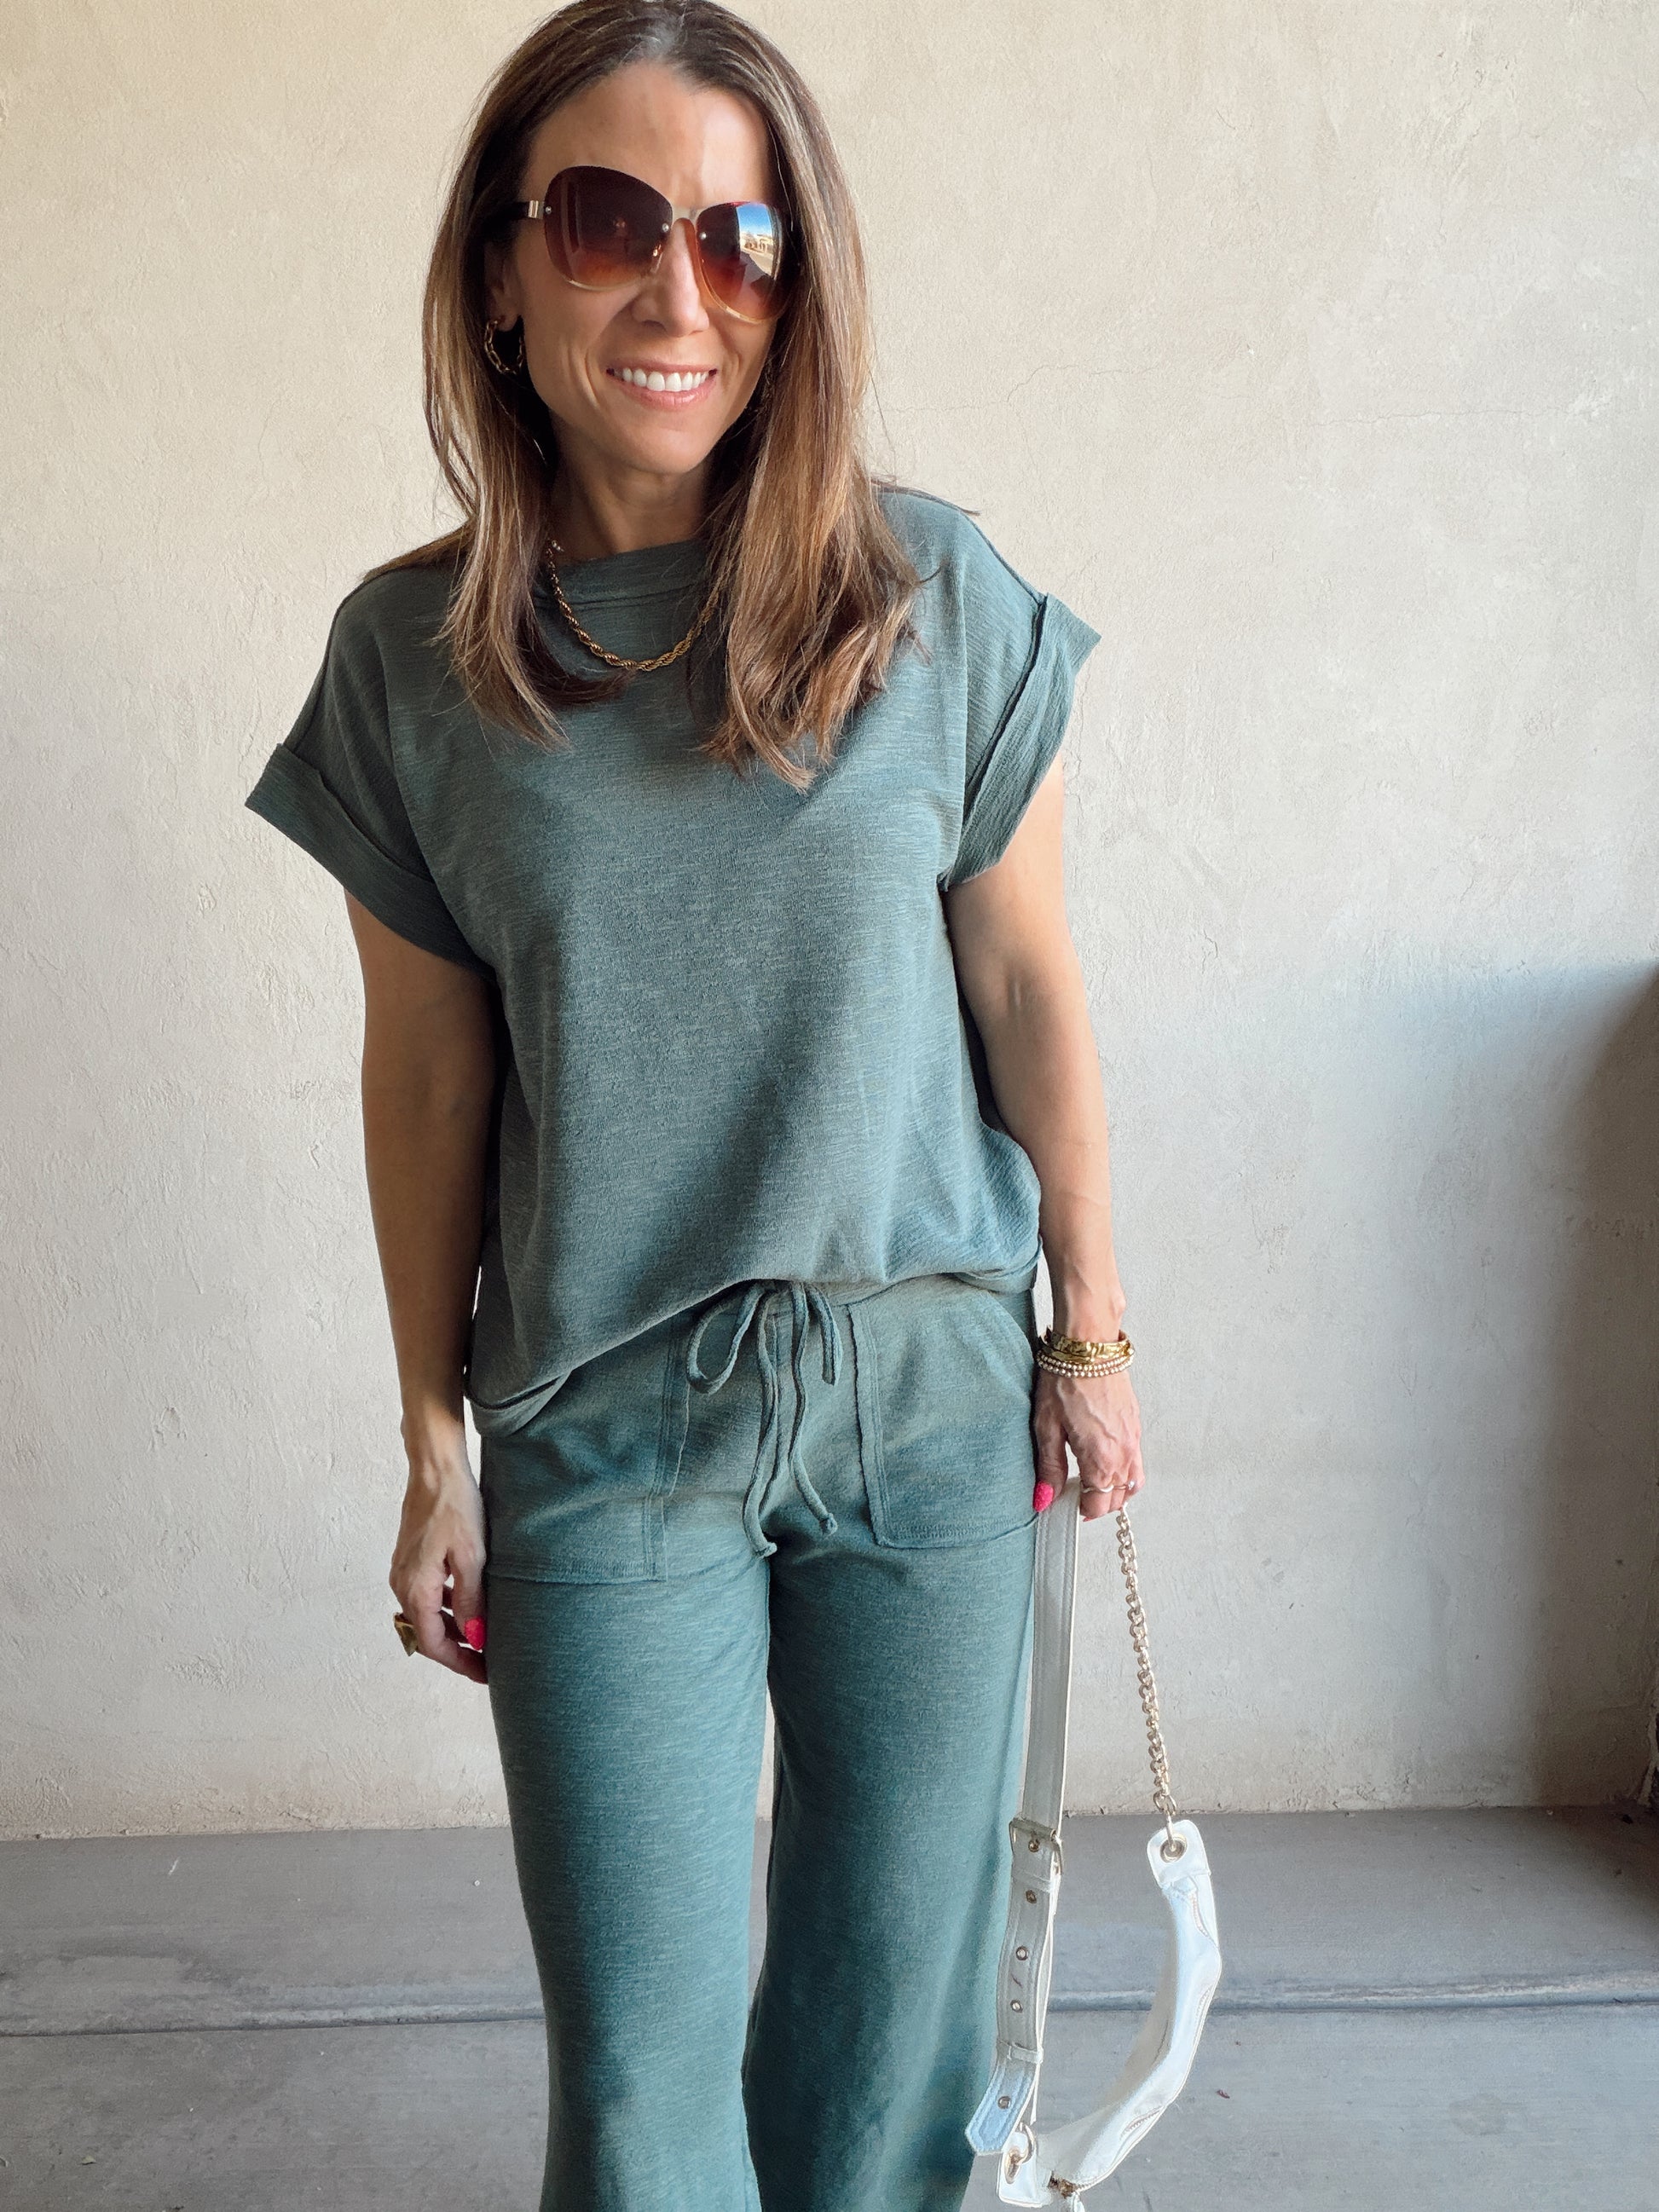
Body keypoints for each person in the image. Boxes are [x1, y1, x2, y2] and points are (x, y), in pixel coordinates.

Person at [243, 3, 1146, 2206]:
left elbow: (1025, 980)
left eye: (740, 237)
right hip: (605, 1408)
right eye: (606, 220)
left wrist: (1095, 1331)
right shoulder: (405, 661)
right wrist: (431, 1437)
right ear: (501, 267)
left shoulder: (930, 593)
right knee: (643, 2085)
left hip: (926, 1390)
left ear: (793, 281)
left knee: (889, 2040)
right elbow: (428, 1069)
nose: (678, 290)